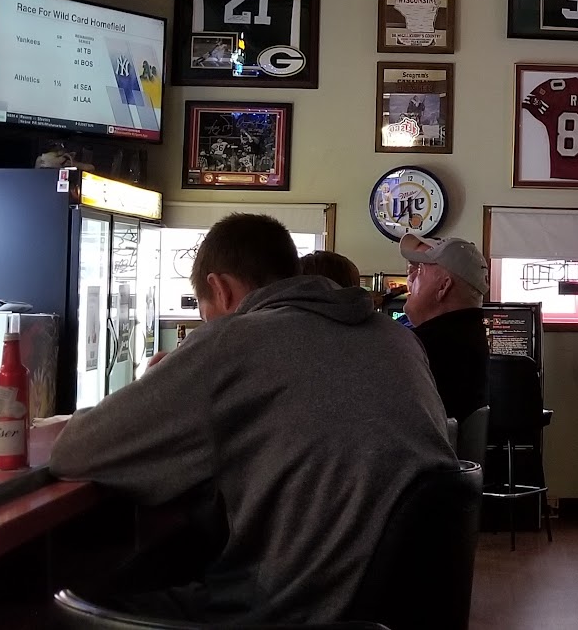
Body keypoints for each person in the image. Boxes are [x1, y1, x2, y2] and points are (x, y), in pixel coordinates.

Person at [50, 214, 454, 624]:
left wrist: (157, 386)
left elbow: (76, 451)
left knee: (69, 600)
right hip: (397, 607)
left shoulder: (233, 339)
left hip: (289, 609)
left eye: (205, 314)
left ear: (220, 289)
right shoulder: (398, 338)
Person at [400, 233, 490, 423]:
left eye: (419, 269)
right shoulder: (468, 336)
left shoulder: (418, 347)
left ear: (444, 286)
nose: (410, 277)